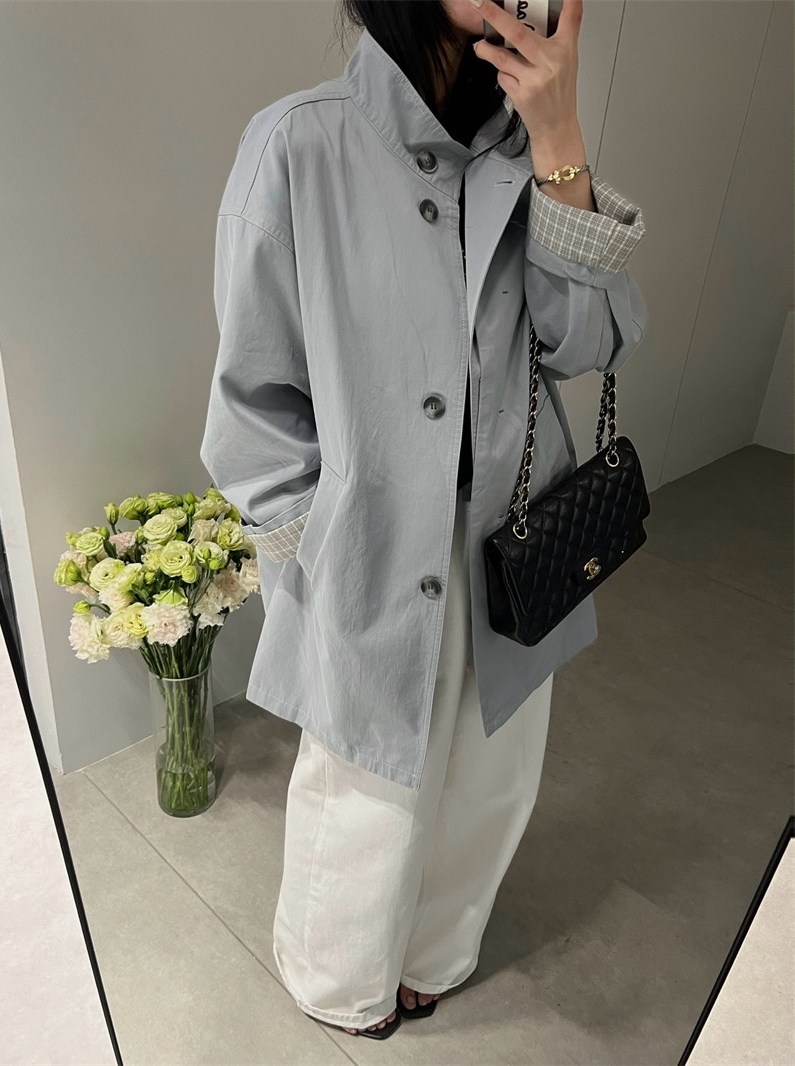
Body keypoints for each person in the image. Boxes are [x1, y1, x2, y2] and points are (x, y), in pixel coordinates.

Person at [200, 0, 647, 1041]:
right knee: (365, 781)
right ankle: (338, 979)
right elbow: (253, 402)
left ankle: (437, 950)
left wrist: (560, 139)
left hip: (512, 529)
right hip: (371, 536)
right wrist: (314, 547)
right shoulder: (299, 144)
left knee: (493, 766)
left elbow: (589, 344)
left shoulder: (526, 150)